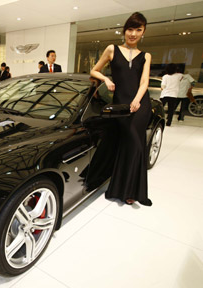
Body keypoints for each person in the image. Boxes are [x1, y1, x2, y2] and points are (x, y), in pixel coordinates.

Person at [90, 12, 152, 206]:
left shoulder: (146, 56)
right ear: (124, 30)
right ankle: (120, 188)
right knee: (128, 144)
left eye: (138, 30)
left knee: (135, 144)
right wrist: (106, 79)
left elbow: (144, 82)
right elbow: (94, 70)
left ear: (143, 32)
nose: (133, 34)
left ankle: (130, 191)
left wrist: (137, 100)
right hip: (120, 105)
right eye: (130, 29)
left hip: (140, 104)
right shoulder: (112, 49)